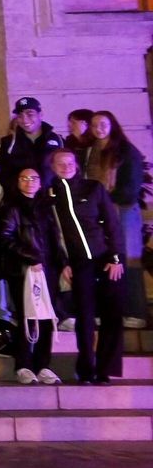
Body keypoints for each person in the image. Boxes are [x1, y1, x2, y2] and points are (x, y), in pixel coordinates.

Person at [47, 149, 125, 384]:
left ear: (76, 164)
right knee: (85, 316)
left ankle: (105, 369)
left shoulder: (93, 188)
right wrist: (63, 264)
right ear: (52, 167)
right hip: (79, 264)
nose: (66, 166)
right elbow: (51, 235)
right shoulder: (50, 195)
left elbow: (112, 223)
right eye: (60, 163)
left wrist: (116, 258)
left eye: (69, 162)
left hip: (106, 260)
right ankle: (86, 367)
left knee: (112, 315)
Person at [0, 169, 64, 386]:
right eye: (23, 178)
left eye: (34, 178)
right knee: (27, 317)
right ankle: (23, 365)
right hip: (24, 272)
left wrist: (63, 264)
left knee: (46, 317)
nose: (29, 182)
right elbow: (5, 238)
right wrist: (31, 258)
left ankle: (43, 364)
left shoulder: (46, 207)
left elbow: (55, 238)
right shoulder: (11, 207)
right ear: (17, 182)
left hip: (48, 271)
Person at [83, 110, 147, 326]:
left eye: (103, 124)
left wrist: (106, 198)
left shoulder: (126, 151)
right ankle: (110, 310)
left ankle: (135, 311)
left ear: (112, 125)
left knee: (127, 259)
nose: (98, 128)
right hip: (99, 212)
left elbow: (131, 187)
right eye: (94, 125)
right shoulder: (91, 152)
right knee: (103, 260)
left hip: (123, 211)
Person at [0, 97, 64, 191]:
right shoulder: (8, 143)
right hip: (19, 200)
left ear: (40, 114)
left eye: (30, 114)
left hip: (51, 198)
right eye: (20, 116)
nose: (24, 120)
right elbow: (3, 174)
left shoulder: (57, 140)